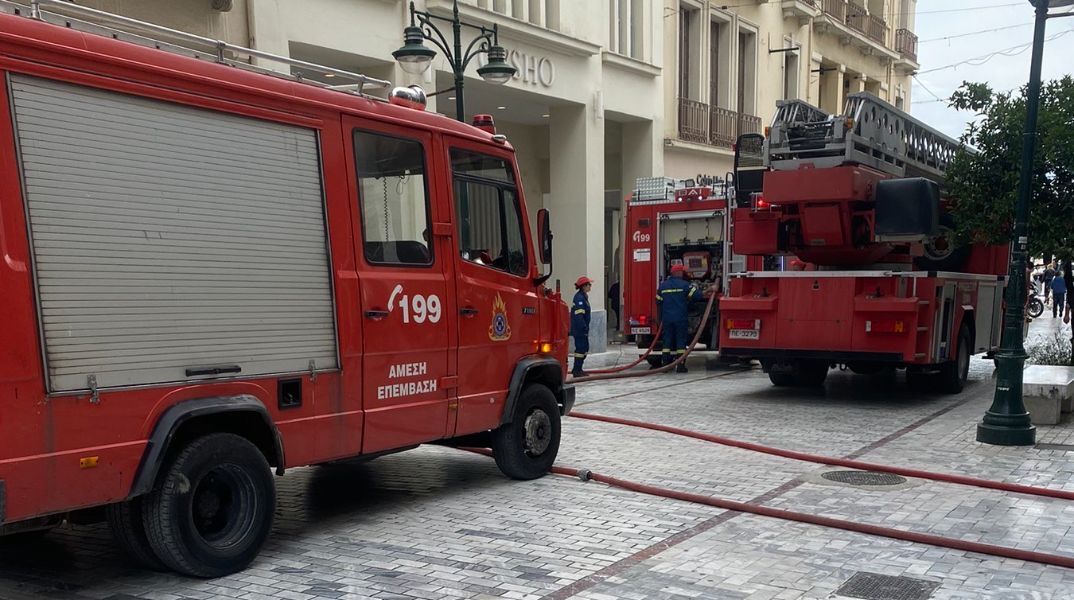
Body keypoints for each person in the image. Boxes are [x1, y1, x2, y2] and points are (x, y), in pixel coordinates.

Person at [656, 264, 703, 373]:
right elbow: (697, 296)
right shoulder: (685, 285)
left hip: (667, 319)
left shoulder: (663, 286)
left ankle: (665, 365)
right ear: (679, 273)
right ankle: (680, 365)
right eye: (682, 272)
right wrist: (710, 289)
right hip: (680, 319)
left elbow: (658, 301)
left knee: (667, 341)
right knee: (680, 342)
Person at [570, 276, 593, 377]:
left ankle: (578, 369)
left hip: (582, 329)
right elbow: (579, 315)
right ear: (584, 286)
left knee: (584, 348)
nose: (590, 287)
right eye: (589, 285)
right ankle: (577, 370)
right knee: (580, 349)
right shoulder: (579, 298)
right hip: (579, 329)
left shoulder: (583, 296)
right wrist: (583, 328)